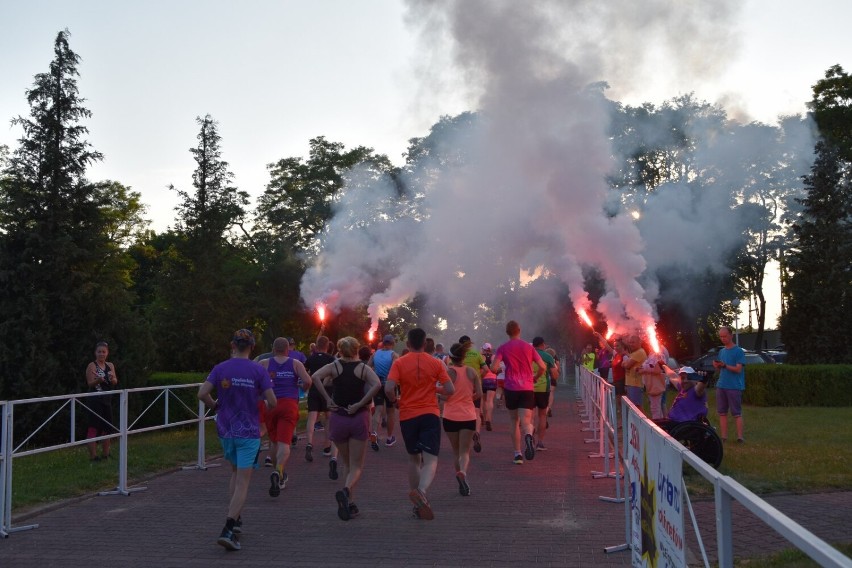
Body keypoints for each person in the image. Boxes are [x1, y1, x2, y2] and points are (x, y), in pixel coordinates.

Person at [197, 329, 276, 551]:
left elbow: (202, 394)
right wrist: (266, 404)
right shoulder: (258, 370)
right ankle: (228, 528)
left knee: (234, 473)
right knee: (243, 481)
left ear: (233, 345)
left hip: (226, 430)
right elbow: (273, 401)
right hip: (249, 432)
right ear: (252, 347)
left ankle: (236, 517)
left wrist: (215, 406)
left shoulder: (221, 368)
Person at [386, 328, 454, 520]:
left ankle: (417, 500)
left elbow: (389, 388)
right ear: (425, 344)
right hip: (429, 413)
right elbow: (450, 389)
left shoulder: (399, 363)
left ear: (407, 343)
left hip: (408, 414)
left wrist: (396, 402)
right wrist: (435, 389)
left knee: (413, 459)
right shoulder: (436, 363)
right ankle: (422, 492)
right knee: (431, 458)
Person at [310, 337, 382, 521]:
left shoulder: (335, 367)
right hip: (358, 417)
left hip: (339, 417)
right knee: (357, 466)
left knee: (347, 463)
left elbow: (315, 377)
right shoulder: (363, 368)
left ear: (340, 350)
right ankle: (347, 491)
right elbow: (377, 385)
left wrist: (327, 399)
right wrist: (361, 403)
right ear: (357, 349)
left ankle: (350, 503)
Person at [259, 337, 312, 497]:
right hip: (288, 404)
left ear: (273, 349)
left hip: (270, 404)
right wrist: (301, 386)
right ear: (288, 349)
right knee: (285, 443)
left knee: (274, 441)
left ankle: (279, 474)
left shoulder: (264, 363)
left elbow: (255, 381)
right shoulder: (296, 364)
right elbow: (308, 381)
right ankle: (278, 471)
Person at [490, 320, 546, 465]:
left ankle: (517, 454)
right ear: (519, 330)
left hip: (511, 387)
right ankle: (528, 435)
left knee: (514, 420)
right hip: (527, 387)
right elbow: (542, 367)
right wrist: (536, 377)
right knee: (526, 420)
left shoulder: (503, 348)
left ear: (507, 332)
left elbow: (494, 368)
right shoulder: (529, 347)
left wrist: (499, 369)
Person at [441, 343, 482, 496]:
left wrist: (440, 396)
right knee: (465, 451)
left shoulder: (448, 372)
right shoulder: (471, 372)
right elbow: (479, 394)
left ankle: (459, 474)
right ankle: (463, 472)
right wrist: (468, 398)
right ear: (464, 357)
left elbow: (445, 395)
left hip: (450, 415)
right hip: (468, 415)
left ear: (451, 357)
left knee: (455, 451)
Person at [304, 336, 337, 464]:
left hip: (313, 390)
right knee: (329, 418)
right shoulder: (331, 359)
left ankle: (309, 443)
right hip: (326, 391)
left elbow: (305, 372)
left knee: (312, 418)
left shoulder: (310, 358)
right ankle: (327, 445)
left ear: (317, 345)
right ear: (327, 346)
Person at [85, 341, 118, 461]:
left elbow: (115, 381)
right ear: (95, 353)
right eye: (99, 352)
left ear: (107, 353)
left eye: (103, 352)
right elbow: (90, 383)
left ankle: (106, 454)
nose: (101, 354)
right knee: (94, 426)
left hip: (107, 400)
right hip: (95, 399)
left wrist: (112, 379)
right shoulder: (92, 365)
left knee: (107, 427)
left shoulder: (110, 365)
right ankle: (93, 456)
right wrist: (99, 380)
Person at [713, 326, 746, 443]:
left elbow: (738, 369)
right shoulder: (722, 351)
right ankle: (724, 437)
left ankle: (740, 437)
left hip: (734, 386)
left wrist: (725, 365)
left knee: (736, 413)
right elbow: (721, 369)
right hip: (721, 385)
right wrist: (717, 366)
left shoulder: (738, 351)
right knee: (722, 412)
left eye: (725, 336)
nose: (723, 339)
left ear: (731, 335)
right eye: (721, 337)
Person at [368, 335, 399, 450]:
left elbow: (368, 367)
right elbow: (396, 370)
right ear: (393, 343)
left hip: (377, 384)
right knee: (391, 412)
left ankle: (374, 433)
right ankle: (389, 438)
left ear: (383, 343)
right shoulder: (394, 355)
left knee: (378, 410)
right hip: (389, 385)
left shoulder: (375, 354)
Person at [459, 334, 487, 452]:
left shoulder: (458, 354)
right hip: (475, 386)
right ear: (470, 344)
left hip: (461, 387)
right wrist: (479, 378)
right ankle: (476, 432)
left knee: (461, 411)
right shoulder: (477, 354)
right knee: (476, 411)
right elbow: (486, 369)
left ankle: (463, 439)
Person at [532, 337, 558, 451]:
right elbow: (555, 375)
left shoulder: (528, 354)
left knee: (530, 415)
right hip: (543, 389)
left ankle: (529, 435)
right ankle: (540, 443)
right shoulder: (548, 356)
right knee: (542, 415)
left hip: (528, 388)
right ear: (543, 344)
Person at [621, 335, 647, 409]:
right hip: (632, 384)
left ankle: (639, 420)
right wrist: (626, 363)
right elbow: (623, 364)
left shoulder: (639, 352)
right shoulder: (634, 353)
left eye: (633, 342)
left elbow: (626, 366)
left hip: (635, 385)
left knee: (636, 408)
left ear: (640, 342)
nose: (631, 344)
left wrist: (626, 363)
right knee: (633, 407)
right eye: (630, 342)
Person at [480, 342, 498, 431]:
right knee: (490, 400)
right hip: (492, 379)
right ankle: (488, 419)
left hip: (483, 379)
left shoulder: (481, 357)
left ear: (483, 349)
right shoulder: (494, 357)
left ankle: (482, 414)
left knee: (483, 400)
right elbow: (497, 368)